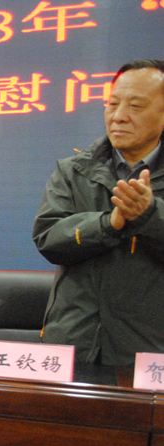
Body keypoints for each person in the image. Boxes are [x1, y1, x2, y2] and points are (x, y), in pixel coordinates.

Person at [33, 59, 164, 370]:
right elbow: (48, 238)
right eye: (112, 104)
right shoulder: (73, 170)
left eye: (136, 106)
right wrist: (108, 224)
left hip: (149, 351)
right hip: (72, 343)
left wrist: (149, 215)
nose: (119, 116)